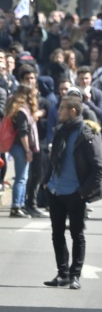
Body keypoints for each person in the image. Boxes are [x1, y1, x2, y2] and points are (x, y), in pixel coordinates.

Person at [42, 96, 102, 290]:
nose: (58, 111)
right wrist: (46, 182)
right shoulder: (60, 130)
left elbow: (99, 167)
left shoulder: (86, 133)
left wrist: (82, 193)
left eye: (62, 108)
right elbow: (53, 158)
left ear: (72, 111)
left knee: (77, 234)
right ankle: (62, 274)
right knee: (57, 234)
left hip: (74, 193)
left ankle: (74, 275)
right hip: (56, 190)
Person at [18, 66, 52, 218]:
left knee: (38, 174)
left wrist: (39, 115)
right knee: (23, 175)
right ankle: (23, 203)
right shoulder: (18, 100)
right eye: (27, 79)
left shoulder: (43, 101)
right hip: (22, 142)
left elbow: (47, 117)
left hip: (40, 142)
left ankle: (31, 203)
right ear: (22, 81)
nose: (30, 81)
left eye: (32, 79)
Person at [7, 84, 40, 218]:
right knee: (21, 178)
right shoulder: (22, 111)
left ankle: (19, 205)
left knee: (23, 177)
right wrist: (28, 150)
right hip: (20, 147)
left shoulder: (18, 109)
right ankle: (16, 206)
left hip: (17, 146)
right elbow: (23, 132)